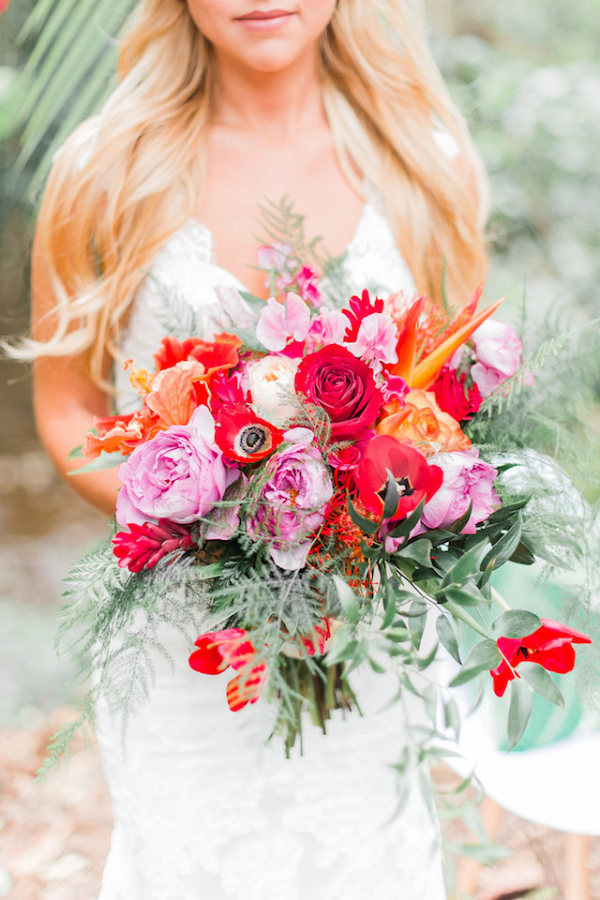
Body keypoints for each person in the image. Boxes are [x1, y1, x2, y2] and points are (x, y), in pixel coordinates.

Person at [22, 2, 489, 897]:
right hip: (184, 643)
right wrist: (201, 512)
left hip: (366, 630)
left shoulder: (424, 161)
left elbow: (451, 399)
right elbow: (69, 408)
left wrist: (355, 515)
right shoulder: (102, 169)